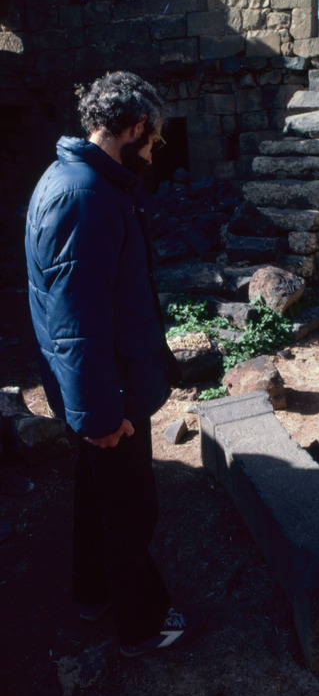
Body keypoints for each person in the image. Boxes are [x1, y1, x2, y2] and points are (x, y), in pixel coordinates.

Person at [25, 71, 203, 657]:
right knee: (130, 509)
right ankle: (142, 625)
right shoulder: (85, 197)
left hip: (103, 387)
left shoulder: (79, 181)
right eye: (153, 141)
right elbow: (77, 323)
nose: (153, 153)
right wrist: (101, 414)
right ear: (134, 127)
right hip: (112, 393)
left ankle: (92, 592)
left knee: (97, 493)